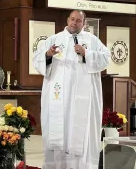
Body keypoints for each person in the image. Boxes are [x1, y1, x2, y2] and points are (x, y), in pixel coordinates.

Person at [33, 10, 110, 169]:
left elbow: (106, 57)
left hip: (83, 99)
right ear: (68, 20)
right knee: (59, 130)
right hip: (59, 97)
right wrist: (48, 55)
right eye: (72, 19)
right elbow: (37, 60)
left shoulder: (92, 40)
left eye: (79, 21)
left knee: (80, 131)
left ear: (84, 23)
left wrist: (86, 53)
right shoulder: (54, 39)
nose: (75, 23)